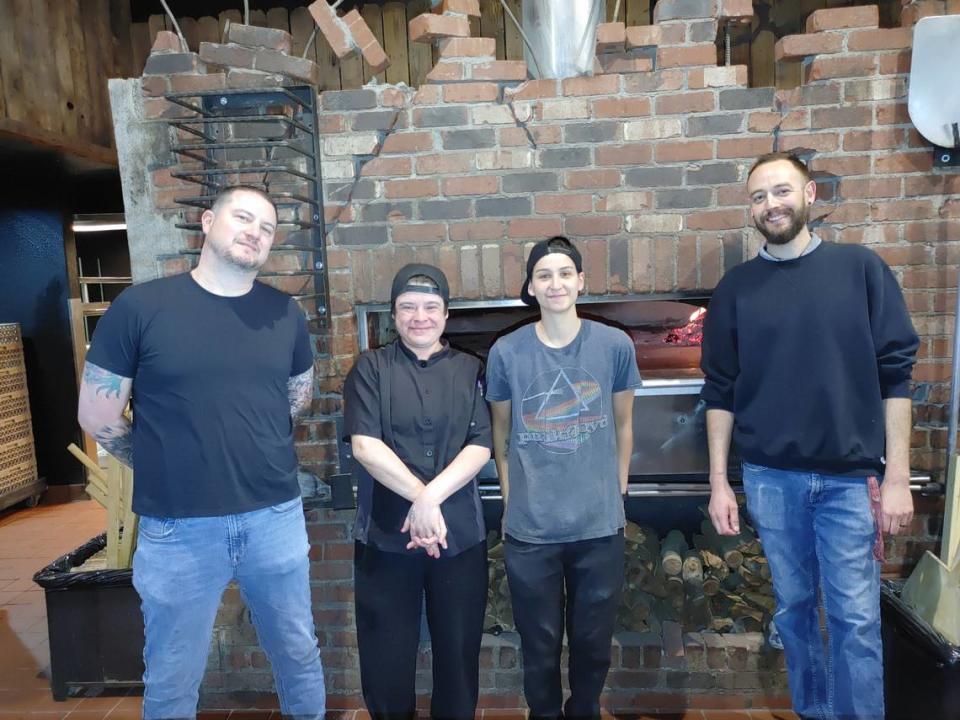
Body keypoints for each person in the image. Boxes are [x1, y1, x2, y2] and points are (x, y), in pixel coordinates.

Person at [77, 185, 325, 720]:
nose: (254, 232)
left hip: (274, 517)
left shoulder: (286, 313)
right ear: (207, 222)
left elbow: (297, 398)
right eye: (243, 217)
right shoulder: (141, 307)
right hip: (178, 528)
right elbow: (97, 417)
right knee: (171, 672)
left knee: (299, 654)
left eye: (266, 227)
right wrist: (164, 463)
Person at [701, 152, 919, 720]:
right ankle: (815, 712)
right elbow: (719, 391)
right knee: (794, 612)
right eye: (758, 197)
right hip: (771, 480)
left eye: (781, 191)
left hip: (851, 481)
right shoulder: (736, 289)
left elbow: (897, 376)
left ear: (810, 195)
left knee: (855, 618)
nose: (770, 204)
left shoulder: (860, 269)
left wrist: (897, 476)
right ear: (749, 209)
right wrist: (718, 482)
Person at [485, 236, 640, 720]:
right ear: (530, 286)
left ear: (580, 281)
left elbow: (624, 425)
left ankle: (585, 712)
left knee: (594, 642)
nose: (556, 284)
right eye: (544, 275)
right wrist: (512, 503)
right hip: (531, 531)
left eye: (565, 273)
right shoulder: (506, 352)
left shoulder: (615, 345)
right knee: (540, 643)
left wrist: (618, 492)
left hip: (599, 527)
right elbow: (501, 433)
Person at [343, 263, 492, 720]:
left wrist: (430, 499)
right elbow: (365, 446)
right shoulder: (369, 369)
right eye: (408, 307)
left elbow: (481, 444)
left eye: (430, 307)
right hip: (387, 535)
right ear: (394, 314)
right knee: (385, 657)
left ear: (446, 315)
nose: (419, 316)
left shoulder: (471, 370)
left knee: (458, 655)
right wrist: (420, 498)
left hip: (459, 536)